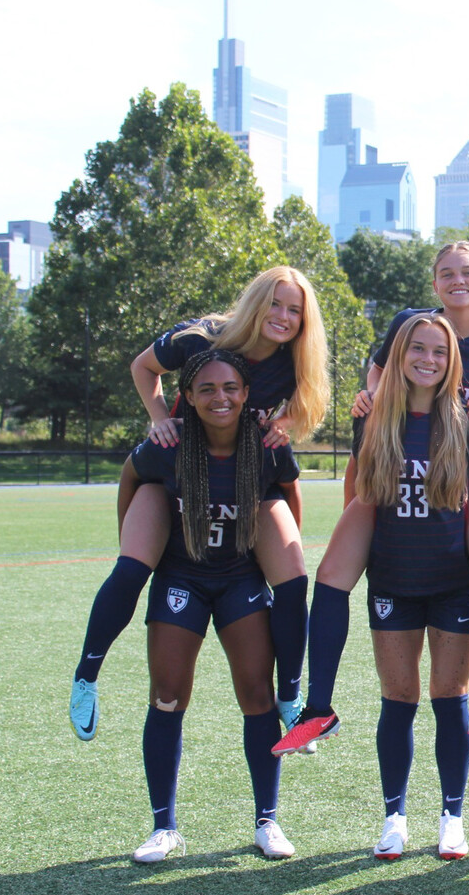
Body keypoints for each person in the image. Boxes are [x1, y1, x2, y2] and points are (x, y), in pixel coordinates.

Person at [273, 315, 469, 859]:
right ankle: (393, 815)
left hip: (452, 580)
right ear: (398, 356)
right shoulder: (373, 417)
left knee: (450, 698)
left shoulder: (468, 419)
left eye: (439, 352)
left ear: (452, 360)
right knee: (397, 698)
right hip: (394, 576)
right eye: (416, 348)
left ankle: (452, 816)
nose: (428, 358)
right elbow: (361, 489)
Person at [69, 266, 329, 742]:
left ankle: (291, 697)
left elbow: (311, 402)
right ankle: (86, 676)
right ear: (255, 301)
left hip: (244, 480)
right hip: (176, 474)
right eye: (275, 303)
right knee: (130, 571)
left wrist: (282, 425)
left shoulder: (294, 359)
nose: (283, 317)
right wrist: (157, 419)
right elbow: (142, 367)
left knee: (293, 581)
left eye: (295, 310)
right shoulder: (201, 336)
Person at [344, 242, 469, 757]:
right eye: (446, 273)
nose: (457, 281)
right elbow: (381, 372)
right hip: (403, 471)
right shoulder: (413, 324)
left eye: (467, 272)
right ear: (434, 284)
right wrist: (374, 398)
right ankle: (312, 703)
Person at [124, 349, 299, 863]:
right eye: (206, 389)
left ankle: (267, 819)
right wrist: (136, 543)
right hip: (182, 576)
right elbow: (131, 479)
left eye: (230, 388)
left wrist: (275, 557)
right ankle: (164, 827)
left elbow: (285, 497)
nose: (219, 397)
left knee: (256, 694)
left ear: (246, 393)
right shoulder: (170, 442)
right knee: (168, 694)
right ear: (189, 397)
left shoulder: (266, 445)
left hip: (240, 577)